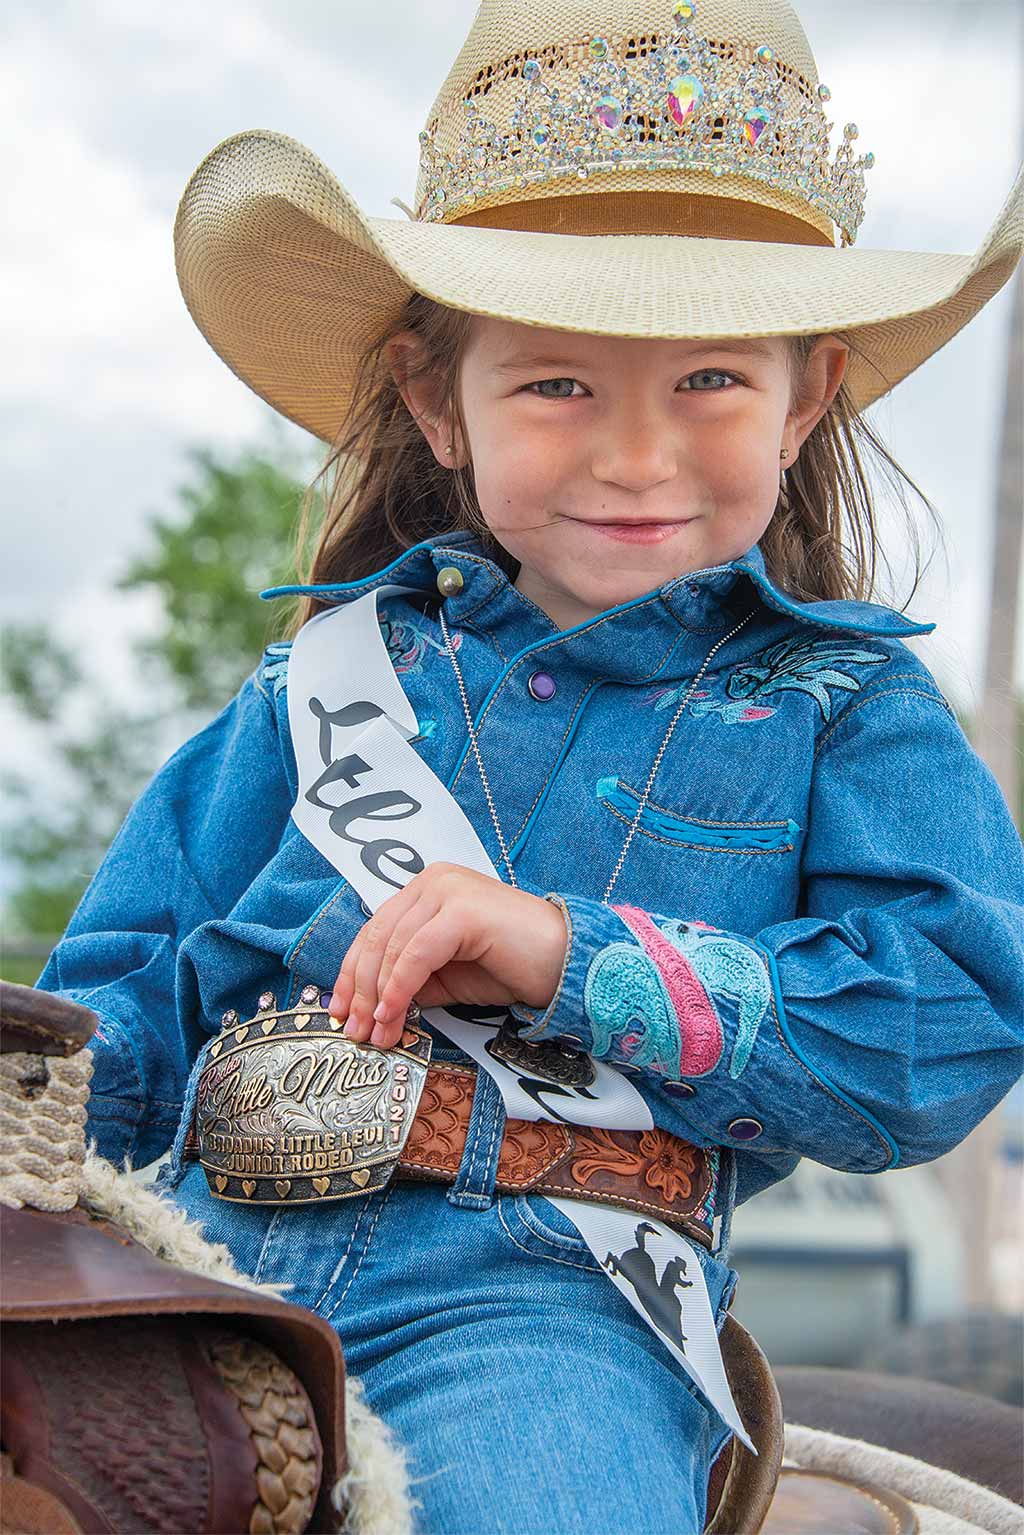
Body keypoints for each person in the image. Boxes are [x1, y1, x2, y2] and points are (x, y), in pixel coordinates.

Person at [35, 0, 1024, 1530]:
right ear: (440, 400)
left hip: (543, 1306)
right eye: (557, 384)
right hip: (187, 1275)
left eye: (710, 382)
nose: (637, 454)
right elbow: (119, 1006)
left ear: (808, 393)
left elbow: (948, 1021)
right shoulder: (309, 688)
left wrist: (574, 955)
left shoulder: (840, 703)